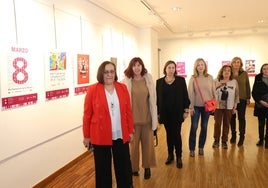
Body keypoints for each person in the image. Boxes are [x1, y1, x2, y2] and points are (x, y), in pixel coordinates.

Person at [82, 61, 134, 188]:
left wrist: (130, 130)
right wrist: (86, 136)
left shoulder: (122, 88)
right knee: (102, 169)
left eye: (112, 71)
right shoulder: (93, 89)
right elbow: (87, 114)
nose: (109, 74)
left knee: (124, 167)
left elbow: (128, 111)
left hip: (120, 133)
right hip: (100, 135)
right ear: (101, 73)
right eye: (106, 72)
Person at [121, 57, 157, 180]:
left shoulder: (149, 79)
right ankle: (134, 168)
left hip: (147, 119)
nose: (137, 68)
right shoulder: (125, 81)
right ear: (131, 67)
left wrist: (155, 117)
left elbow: (153, 100)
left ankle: (147, 167)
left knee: (148, 146)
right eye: (134, 65)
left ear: (142, 66)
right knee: (133, 148)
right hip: (132, 121)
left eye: (139, 65)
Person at [156, 60, 190, 169]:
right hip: (165, 113)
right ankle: (170, 155)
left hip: (177, 113)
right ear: (165, 69)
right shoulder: (159, 82)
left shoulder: (180, 81)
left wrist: (186, 110)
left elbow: (185, 96)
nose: (171, 70)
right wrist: (157, 113)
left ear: (175, 69)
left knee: (176, 134)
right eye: (169, 67)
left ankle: (179, 156)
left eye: (173, 68)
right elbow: (157, 99)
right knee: (168, 134)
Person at [188, 58, 216, 157]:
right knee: (194, 127)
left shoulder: (210, 77)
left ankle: (201, 147)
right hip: (196, 107)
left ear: (205, 66)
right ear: (196, 67)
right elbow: (190, 94)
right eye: (198, 65)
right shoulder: (193, 78)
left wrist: (214, 104)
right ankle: (192, 148)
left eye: (202, 65)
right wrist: (190, 107)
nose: (200, 66)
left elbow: (213, 91)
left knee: (204, 127)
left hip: (207, 107)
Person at [212, 65, 239, 149]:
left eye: (228, 70)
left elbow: (237, 95)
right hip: (218, 106)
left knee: (227, 124)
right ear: (221, 72)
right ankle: (216, 140)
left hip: (229, 106)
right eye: (225, 70)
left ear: (231, 73)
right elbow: (211, 92)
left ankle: (224, 141)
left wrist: (235, 107)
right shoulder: (216, 80)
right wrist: (218, 85)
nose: (226, 72)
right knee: (217, 124)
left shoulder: (234, 82)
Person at [230, 57, 251, 146]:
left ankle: (242, 136)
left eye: (238, 62)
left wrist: (248, 97)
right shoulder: (229, 73)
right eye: (234, 62)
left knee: (241, 118)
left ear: (240, 64)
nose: (236, 64)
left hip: (242, 99)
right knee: (232, 118)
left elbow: (247, 85)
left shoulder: (244, 73)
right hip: (231, 99)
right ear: (232, 64)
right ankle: (233, 135)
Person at [252, 63, 268, 148]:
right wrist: (261, 101)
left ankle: (267, 140)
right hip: (261, 104)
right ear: (261, 70)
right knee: (261, 124)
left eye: (267, 69)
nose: (266, 70)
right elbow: (254, 92)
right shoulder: (257, 78)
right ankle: (261, 139)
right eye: (264, 69)